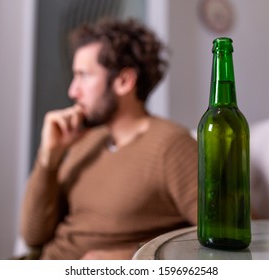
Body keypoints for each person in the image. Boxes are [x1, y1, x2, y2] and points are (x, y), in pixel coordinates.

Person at [20, 18, 197, 260]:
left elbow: (232, 235)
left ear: (124, 81)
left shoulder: (172, 146)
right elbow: (33, 236)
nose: (73, 91)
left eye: (83, 76)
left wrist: (128, 258)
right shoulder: (86, 141)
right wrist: (49, 158)